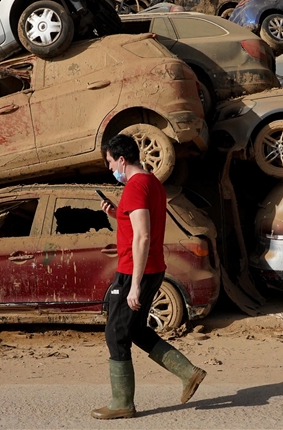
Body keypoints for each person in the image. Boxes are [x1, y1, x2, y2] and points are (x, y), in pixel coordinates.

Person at [91, 133, 206, 420]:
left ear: (121, 159)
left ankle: (122, 403)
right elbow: (140, 223)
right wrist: (117, 212)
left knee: (116, 335)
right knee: (136, 330)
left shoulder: (135, 186)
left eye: (109, 162)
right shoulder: (152, 182)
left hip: (135, 271)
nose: (109, 169)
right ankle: (188, 373)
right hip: (152, 267)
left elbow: (142, 237)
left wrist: (135, 286)